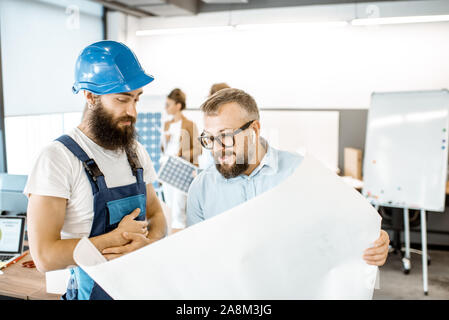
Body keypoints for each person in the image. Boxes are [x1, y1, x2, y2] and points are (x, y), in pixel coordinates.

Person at [25, 41, 167, 300]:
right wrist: (116, 240)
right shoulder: (57, 159)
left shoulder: (135, 151)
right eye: (122, 99)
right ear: (90, 97)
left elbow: (157, 216)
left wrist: (148, 245)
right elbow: (44, 256)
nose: (132, 111)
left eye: (136, 99)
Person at [187, 88, 390, 267]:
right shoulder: (201, 189)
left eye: (225, 136)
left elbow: (349, 224)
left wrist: (377, 240)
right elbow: (198, 257)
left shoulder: (301, 172)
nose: (216, 148)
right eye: (210, 138)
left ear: (254, 130)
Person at [161, 88, 201, 233]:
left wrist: (181, 153)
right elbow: (165, 149)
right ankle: (171, 238)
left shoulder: (190, 125)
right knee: (170, 205)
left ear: (178, 105)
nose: (166, 108)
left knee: (179, 207)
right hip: (167, 167)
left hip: (182, 168)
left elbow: (198, 149)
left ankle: (181, 237)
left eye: (168, 104)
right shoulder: (166, 125)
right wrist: (165, 141)